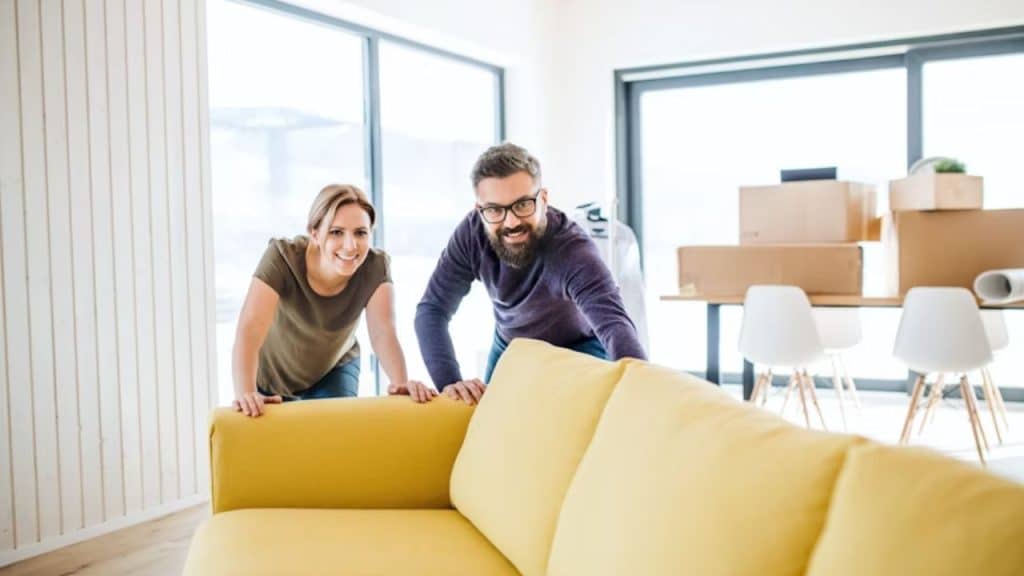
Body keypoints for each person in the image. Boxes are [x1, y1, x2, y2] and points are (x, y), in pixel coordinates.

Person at [415, 143, 646, 405]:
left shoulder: (573, 251)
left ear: (543, 200)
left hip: (579, 346)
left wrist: (641, 390)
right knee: (489, 422)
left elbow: (614, 325)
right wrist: (450, 383)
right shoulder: (471, 235)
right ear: (479, 210)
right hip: (510, 342)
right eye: (494, 210)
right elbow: (432, 310)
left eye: (523, 204)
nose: (511, 222)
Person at [233, 184, 435, 417]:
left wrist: (401, 383)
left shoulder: (376, 266)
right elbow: (250, 328)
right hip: (272, 373)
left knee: (335, 439)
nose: (350, 246)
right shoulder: (282, 257)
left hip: (334, 368)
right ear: (315, 233)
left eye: (361, 233)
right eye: (336, 232)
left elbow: (383, 333)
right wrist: (245, 393)